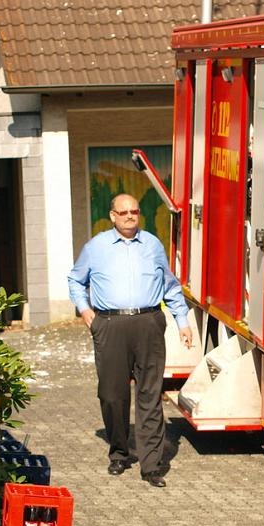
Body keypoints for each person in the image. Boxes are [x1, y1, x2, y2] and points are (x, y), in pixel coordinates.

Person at [68, 193, 192, 488]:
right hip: (110, 324)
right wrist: (86, 311)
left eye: (134, 211)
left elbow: (169, 285)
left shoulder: (152, 245)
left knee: (150, 395)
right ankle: (120, 453)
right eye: (122, 212)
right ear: (112, 216)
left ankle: (151, 465)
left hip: (148, 322)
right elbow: (75, 279)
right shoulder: (95, 247)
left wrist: (182, 321)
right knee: (112, 395)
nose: (129, 216)